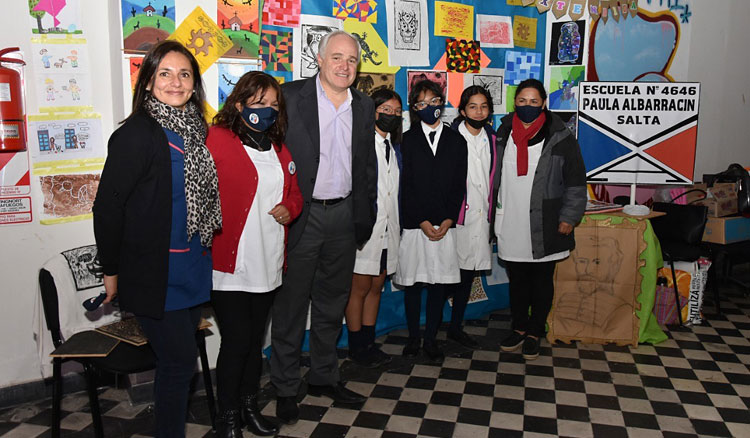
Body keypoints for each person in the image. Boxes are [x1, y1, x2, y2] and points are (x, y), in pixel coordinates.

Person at [93, 40, 222, 437]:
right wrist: (111, 272)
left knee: (178, 363)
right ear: (147, 81)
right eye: (164, 73)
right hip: (155, 272)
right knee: (180, 364)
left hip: (190, 267)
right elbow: (107, 208)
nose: (175, 82)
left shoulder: (197, 131)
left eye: (184, 74)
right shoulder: (136, 135)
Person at [269, 30, 377, 424]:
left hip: (344, 216)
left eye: (351, 60)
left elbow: (367, 167)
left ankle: (323, 376)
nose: (344, 66)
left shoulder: (364, 107)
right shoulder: (288, 97)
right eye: (337, 58)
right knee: (291, 306)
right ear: (319, 58)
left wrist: (365, 213)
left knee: (332, 304)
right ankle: (283, 387)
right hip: (302, 214)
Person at [207, 71, 303, 437]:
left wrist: (289, 209)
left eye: (273, 105)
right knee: (236, 342)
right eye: (259, 103)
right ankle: (226, 418)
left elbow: (295, 193)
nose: (266, 111)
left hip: (268, 261)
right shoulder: (216, 139)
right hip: (230, 264)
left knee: (254, 342)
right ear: (239, 104)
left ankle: (249, 407)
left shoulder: (279, 147)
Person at [492, 78, 587, 361]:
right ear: (514, 103)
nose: (528, 106)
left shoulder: (560, 135)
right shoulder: (504, 130)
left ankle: (535, 331)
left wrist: (569, 216)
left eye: (534, 101)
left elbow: (575, 182)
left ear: (544, 103)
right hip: (510, 217)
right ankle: (519, 328)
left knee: (542, 279)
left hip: (546, 220)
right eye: (522, 101)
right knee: (517, 279)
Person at [393, 79, 467, 362]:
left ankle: (431, 339)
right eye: (422, 103)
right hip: (415, 225)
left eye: (435, 102)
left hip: (445, 225)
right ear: (414, 108)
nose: (430, 108)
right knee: (413, 284)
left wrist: (448, 219)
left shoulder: (456, 140)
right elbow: (405, 186)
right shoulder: (406, 140)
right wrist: (421, 221)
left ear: (443, 103)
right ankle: (413, 337)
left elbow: (459, 184)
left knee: (438, 284)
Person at [345, 88, 403, 368]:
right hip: (365, 229)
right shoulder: (361, 144)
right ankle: (356, 345)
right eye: (385, 110)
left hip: (388, 228)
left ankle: (369, 341)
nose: (391, 116)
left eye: (396, 112)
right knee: (359, 287)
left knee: (377, 286)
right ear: (373, 112)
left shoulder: (394, 147)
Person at [446, 85, 498, 349]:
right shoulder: (449, 137)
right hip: (454, 219)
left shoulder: (493, 138)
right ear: (462, 110)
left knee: (467, 274)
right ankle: (432, 329)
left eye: (484, 107)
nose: (478, 112)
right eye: (472, 106)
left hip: (481, 217)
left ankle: (455, 327)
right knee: (445, 273)